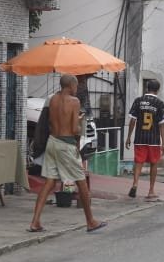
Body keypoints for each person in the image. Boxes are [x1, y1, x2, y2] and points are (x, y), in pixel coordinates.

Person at [29, 74, 106, 234]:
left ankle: (35, 221)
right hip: (66, 144)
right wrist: (79, 121)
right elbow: (74, 129)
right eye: (76, 86)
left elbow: (50, 122)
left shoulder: (52, 99)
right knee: (81, 181)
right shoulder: (74, 101)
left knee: (49, 182)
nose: (76, 89)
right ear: (71, 85)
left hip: (52, 141)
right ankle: (90, 221)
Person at [126, 77, 164, 200]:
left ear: (147, 88)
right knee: (154, 164)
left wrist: (129, 137)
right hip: (153, 140)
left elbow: (133, 120)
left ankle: (135, 184)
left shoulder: (138, 101)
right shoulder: (160, 104)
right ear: (158, 90)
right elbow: (162, 124)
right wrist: (163, 142)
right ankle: (151, 190)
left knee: (138, 162)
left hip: (140, 138)